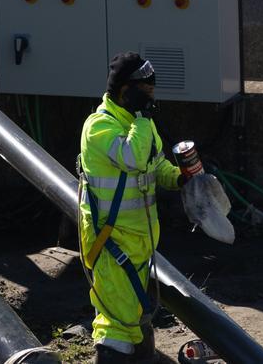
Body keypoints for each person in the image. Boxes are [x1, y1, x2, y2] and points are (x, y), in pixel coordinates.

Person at [78, 52, 183, 363]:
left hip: (139, 241)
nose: (150, 98)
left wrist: (181, 179)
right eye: (144, 92)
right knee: (115, 326)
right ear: (125, 91)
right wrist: (141, 118)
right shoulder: (99, 127)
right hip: (111, 242)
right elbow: (133, 159)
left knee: (132, 317)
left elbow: (155, 164)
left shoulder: (141, 123)